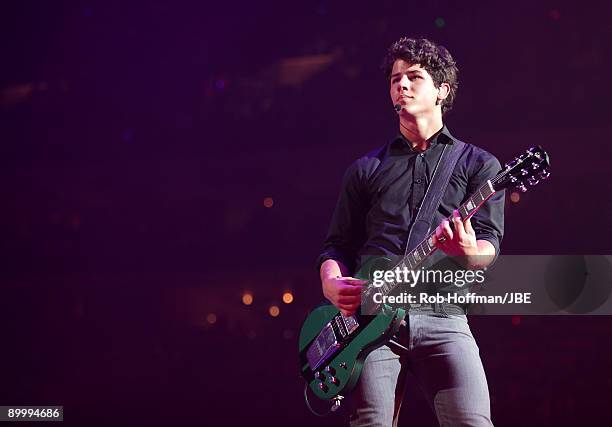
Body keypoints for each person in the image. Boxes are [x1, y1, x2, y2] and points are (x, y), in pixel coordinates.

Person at [316, 37, 504, 426]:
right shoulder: (365, 169)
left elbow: (489, 243)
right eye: (395, 79)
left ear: (442, 90)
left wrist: (469, 253)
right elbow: (336, 246)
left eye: (414, 77)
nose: (401, 85)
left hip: (445, 316)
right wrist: (330, 282)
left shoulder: (479, 164)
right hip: (372, 322)